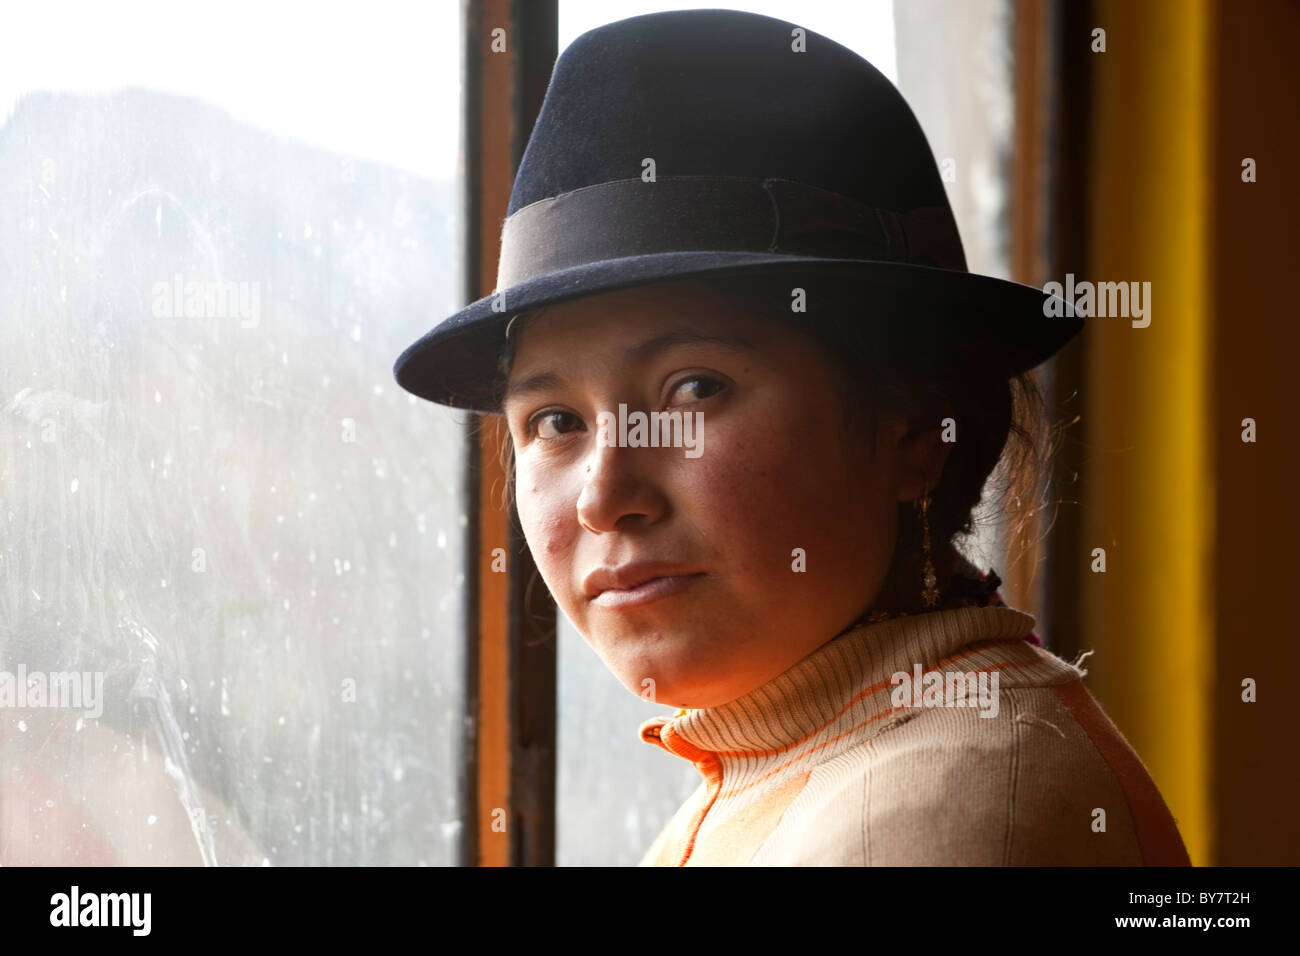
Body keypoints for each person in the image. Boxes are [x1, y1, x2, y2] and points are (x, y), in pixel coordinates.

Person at [393, 9, 1190, 866]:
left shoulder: (933, 813)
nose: (602, 496)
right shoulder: (783, 771)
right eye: (556, 423)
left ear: (916, 427)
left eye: (694, 389)